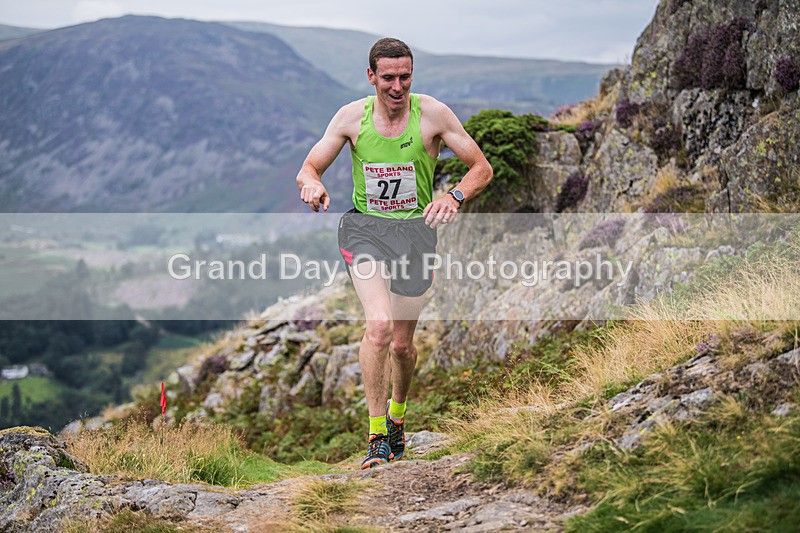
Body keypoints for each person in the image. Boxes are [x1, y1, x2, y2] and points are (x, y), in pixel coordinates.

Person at [296, 38, 492, 469]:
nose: (398, 86)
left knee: (403, 346)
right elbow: (309, 167)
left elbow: (482, 168)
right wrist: (312, 183)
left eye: (405, 76)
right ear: (372, 77)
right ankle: (376, 436)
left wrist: (454, 196)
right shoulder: (351, 117)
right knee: (380, 327)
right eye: (388, 78)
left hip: (416, 236)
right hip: (366, 230)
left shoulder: (434, 114)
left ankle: (398, 417)